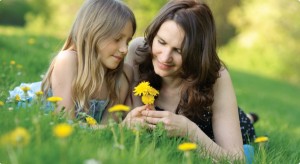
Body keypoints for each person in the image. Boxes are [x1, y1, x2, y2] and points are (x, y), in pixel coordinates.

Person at [123, 0, 255, 161]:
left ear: (197, 53)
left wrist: (188, 130)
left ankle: (249, 118)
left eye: (179, 50)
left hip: (210, 132)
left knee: (246, 135)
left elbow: (236, 159)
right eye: (161, 42)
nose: (165, 57)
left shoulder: (216, 75)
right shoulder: (138, 52)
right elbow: (136, 122)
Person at [41, 0, 136, 123]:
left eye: (127, 42)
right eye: (117, 39)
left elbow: (108, 130)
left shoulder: (123, 74)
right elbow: (67, 123)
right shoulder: (67, 60)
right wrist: (122, 127)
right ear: (92, 33)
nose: (125, 49)